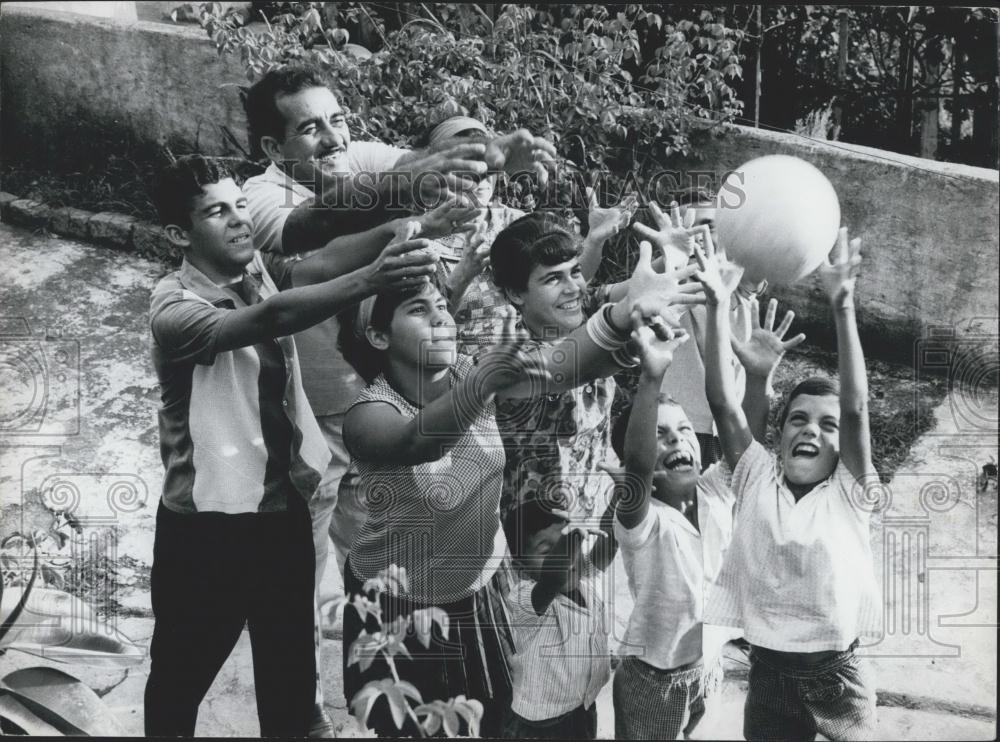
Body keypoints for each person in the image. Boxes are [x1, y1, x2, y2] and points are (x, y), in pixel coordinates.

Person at [241, 71, 558, 684]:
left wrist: (484, 155)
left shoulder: (355, 155)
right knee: (310, 565)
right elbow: (312, 229)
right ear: (271, 150)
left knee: (399, 548)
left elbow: (426, 161)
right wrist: (409, 202)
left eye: (338, 119)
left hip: (385, 396)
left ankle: (415, 661)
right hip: (314, 412)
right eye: (309, 128)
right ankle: (313, 701)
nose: (333, 138)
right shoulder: (260, 196)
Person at [336, 226, 705, 738]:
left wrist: (628, 314)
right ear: (378, 336)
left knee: (490, 725)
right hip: (401, 611)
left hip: (479, 595)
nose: (441, 316)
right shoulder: (369, 413)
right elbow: (419, 443)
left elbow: (560, 364)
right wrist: (488, 377)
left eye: (441, 305)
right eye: (418, 311)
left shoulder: (474, 369)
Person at [142, 155, 439, 737]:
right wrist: (374, 278)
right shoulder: (174, 309)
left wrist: (418, 227)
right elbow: (273, 317)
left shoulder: (255, 268)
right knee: (181, 675)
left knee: (289, 672)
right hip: (210, 526)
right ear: (180, 234)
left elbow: (321, 264)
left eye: (239, 204)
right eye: (216, 211)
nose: (237, 219)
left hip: (283, 510)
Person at [699, 227, 882, 741]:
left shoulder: (849, 492)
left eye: (827, 427)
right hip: (769, 673)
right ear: (779, 438)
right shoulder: (757, 477)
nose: (811, 430)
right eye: (799, 419)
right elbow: (722, 404)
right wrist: (716, 306)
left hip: (837, 678)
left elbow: (856, 408)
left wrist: (842, 306)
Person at [608, 280, 793, 740]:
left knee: (690, 729)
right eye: (662, 433)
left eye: (685, 429)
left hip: (706, 663)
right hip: (654, 680)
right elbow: (636, 462)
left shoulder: (715, 492)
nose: (677, 440)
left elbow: (743, 442)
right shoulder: (641, 518)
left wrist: (756, 378)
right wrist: (652, 377)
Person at [417, 114, 632, 356]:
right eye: (465, 167)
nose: (479, 177)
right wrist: (461, 278)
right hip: (473, 368)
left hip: (542, 350)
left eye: (486, 165)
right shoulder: (420, 240)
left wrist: (595, 240)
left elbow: (566, 285)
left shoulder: (515, 221)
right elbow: (423, 334)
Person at [632, 196, 767, 469]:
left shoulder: (736, 277)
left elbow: (761, 263)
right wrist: (673, 261)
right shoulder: (664, 283)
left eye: (711, 227)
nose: (698, 237)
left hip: (729, 423)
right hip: (681, 425)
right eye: (688, 227)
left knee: (725, 504)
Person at [500, 496, 617, 740]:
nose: (571, 559)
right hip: (541, 725)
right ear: (521, 567)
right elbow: (553, 576)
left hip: (582, 707)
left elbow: (607, 546)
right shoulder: (524, 598)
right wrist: (570, 540)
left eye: (571, 545)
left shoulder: (583, 580)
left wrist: (621, 497)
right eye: (547, 550)